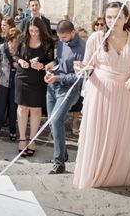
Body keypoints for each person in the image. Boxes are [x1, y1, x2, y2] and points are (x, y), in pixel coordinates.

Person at [73, 2, 130, 189]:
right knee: (99, 133)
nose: (113, 21)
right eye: (109, 17)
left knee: (120, 135)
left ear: (126, 18)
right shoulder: (96, 38)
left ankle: (117, 177)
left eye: (118, 17)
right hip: (100, 93)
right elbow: (88, 65)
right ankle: (95, 175)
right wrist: (81, 67)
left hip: (125, 94)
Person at [45, 20, 86, 174]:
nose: (61, 41)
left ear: (73, 33)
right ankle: (63, 153)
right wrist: (52, 64)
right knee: (51, 122)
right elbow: (60, 61)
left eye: (64, 37)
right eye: (59, 38)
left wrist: (59, 78)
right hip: (53, 86)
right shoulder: (61, 43)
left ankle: (59, 162)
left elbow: (79, 77)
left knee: (56, 120)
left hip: (69, 90)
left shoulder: (82, 48)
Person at [14, 17, 53, 158]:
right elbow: (15, 56)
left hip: (38, 80)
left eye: (36, 31)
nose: (34, 34)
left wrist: (42, 66)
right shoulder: (21, 39)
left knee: (36, 110)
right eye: (31, 31)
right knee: (23, 108)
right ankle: (22, 139)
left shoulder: (48, 43)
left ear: (41, 30)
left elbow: (52, 62)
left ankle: (32, 140)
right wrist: (20, 61)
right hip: (22, 77)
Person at [0, 23, 20, 141]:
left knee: (14, 109)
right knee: (0, 107)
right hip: (2, 81)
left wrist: (19, 65)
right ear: (9, 39)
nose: (15, 43)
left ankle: (13, 130)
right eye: (14, 40)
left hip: (16, 83)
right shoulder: (0, 48)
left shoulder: (21, 49)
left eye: (17, 40)